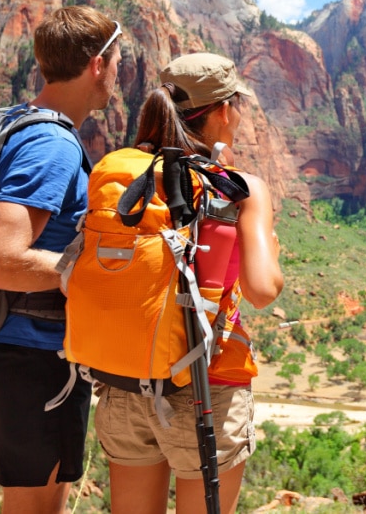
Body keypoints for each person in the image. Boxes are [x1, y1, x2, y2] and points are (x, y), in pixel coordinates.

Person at [95, 52, 284, 514]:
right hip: (208, 384)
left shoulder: (122, 176)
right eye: (237, 104)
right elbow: (262, 289)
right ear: (223, 110)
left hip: (126, 381)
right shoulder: (240, 187)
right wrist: (270, 246)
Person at [0, 5, 122, 514]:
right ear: (97, 64)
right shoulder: (52, 143)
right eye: (117, 60)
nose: (119, 72)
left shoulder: (20, 124)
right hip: (31, 354)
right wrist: (89, 273)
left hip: (11, 348)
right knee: (35, 507)